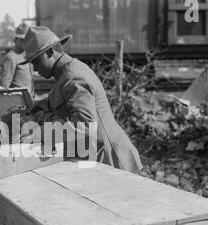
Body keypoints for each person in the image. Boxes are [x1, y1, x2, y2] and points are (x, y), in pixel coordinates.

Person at [19, 26, 142, 173]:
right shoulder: (65, 72)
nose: (35, 68)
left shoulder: (73, 76)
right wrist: (34, 108)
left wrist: (39, 133)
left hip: (111, 161)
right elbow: (58, 99)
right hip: (100, 156)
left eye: (36, 61)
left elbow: (84, 124)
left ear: (50, 52)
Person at [0, 23, 34, 94]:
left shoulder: (25, 56)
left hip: (28, 101)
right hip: (17, 102)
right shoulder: (11, 58)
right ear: (17, 40)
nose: (27, 44)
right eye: (24, 41)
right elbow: (4, 86)